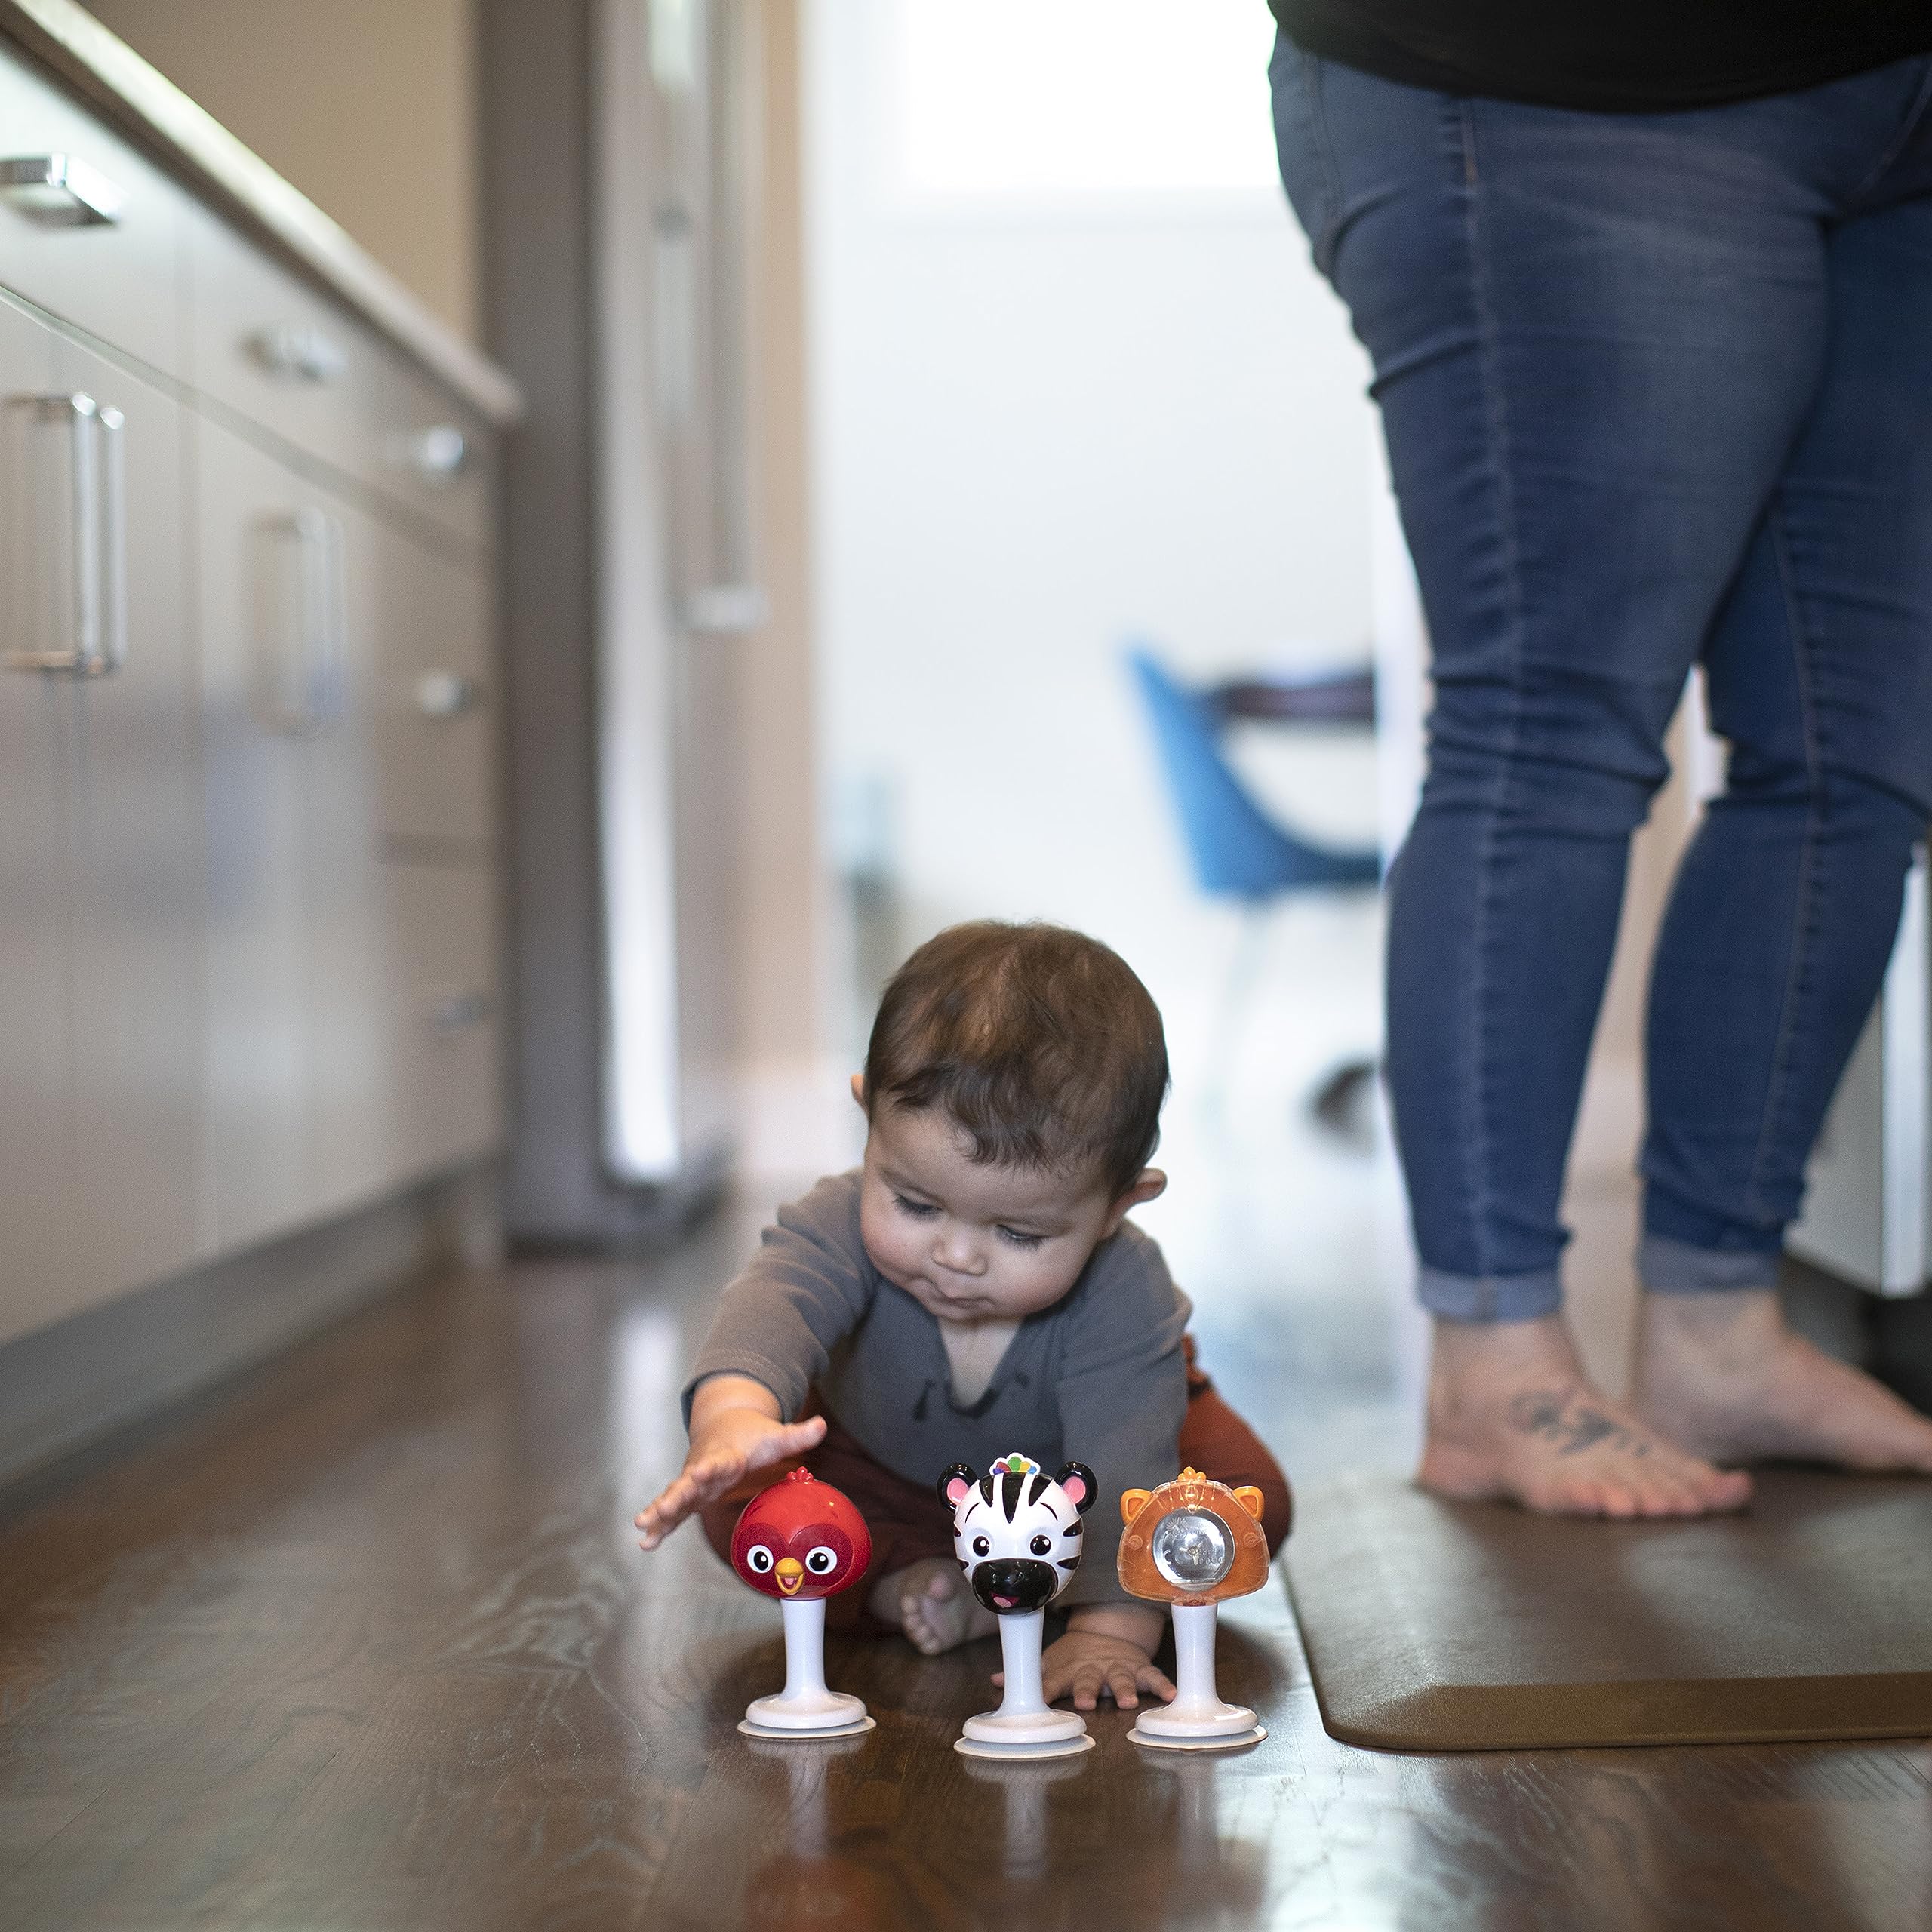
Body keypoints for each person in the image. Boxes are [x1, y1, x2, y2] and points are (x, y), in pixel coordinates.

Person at [1268, 0, 1932, 1515]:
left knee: (1853, 754)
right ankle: (1491, 1366)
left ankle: (1715, 1322)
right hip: (1562, 73)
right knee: (1549, 726)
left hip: (1895, 112)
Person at [635, 920, 1291, 1711]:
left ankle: (1047, 1592)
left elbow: (1124, 1471)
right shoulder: (836, 1220)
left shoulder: (1124, 1286)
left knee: (1247, 1502)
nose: (957, 1256)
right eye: (914, 1203)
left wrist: (1109, 1636)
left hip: (1077, 1485)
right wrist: (733, 1417)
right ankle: (909, 1590)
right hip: (882, 1475)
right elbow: (771, 1307)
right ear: (867, 1119)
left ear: (1118, 1204)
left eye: (1016, 1232)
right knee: (740, 1504)